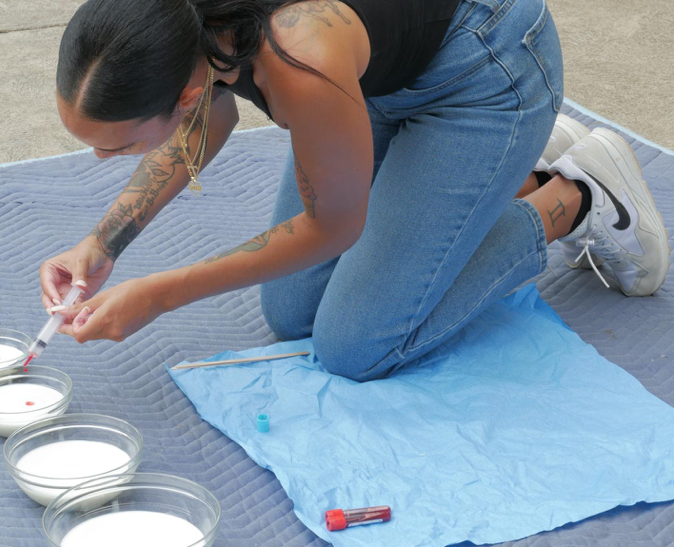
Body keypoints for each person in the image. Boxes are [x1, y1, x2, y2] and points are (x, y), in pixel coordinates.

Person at [40, 0, 670, 381]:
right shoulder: (176, 25)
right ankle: (499, 174)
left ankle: (575, 193)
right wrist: (104, 242)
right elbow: (212, 114)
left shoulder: (297, 57)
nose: (101, 158)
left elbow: (332, 227)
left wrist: (159, 294)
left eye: (116, 144)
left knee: (357, 345)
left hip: (486, 66)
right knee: (292, 315)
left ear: (180, 94)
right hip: (377, 71)